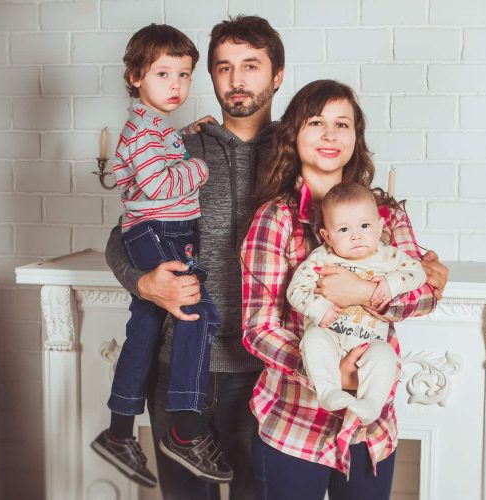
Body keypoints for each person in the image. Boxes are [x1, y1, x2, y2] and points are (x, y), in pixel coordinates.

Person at [105, 15, 286, 499]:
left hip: (262, 370)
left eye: (251, 65)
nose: (237, 79)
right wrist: (142, 284)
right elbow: (121, 235)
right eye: (224, 67)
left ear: (278, 75)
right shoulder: (179, 145)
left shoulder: (299, 151)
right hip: (179, 364)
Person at [241, 79, 447, 499]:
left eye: (343, 124)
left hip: (371, 428)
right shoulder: (275, 219)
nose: (331, 135)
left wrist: (359, 291)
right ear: (294, 135)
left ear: (357, 137)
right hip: (295, 423)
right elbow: (258, 328)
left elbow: (423, 294)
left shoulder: (385, 214)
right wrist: (329, 372)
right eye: (316, 122)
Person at [91, 23, 232, 487]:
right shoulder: (140, 132)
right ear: (135, 76)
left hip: (162, 230)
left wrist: (188, 134)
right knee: (197, 315)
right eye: (163, 74)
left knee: (147, 328)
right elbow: (159, 183)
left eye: (184, 75)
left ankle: (118, 431)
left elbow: (161, 154)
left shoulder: (156, 128)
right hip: (157, 233)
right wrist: (199, 166)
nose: (176, 85)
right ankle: (186, 430)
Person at [286, 182, 426, 424]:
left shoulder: (388, 256)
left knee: (385, 355)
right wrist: (319, 309)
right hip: (331, 335)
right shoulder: (321, 257)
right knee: (313, 340)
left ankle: (371, 403)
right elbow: (295, 290)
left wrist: (392, 283)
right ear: (326, 236)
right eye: (343, 230)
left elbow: (418, 272)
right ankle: (328, 391)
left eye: (364, 225)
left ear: (380, 227)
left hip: (368, 342)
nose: (356, 235)